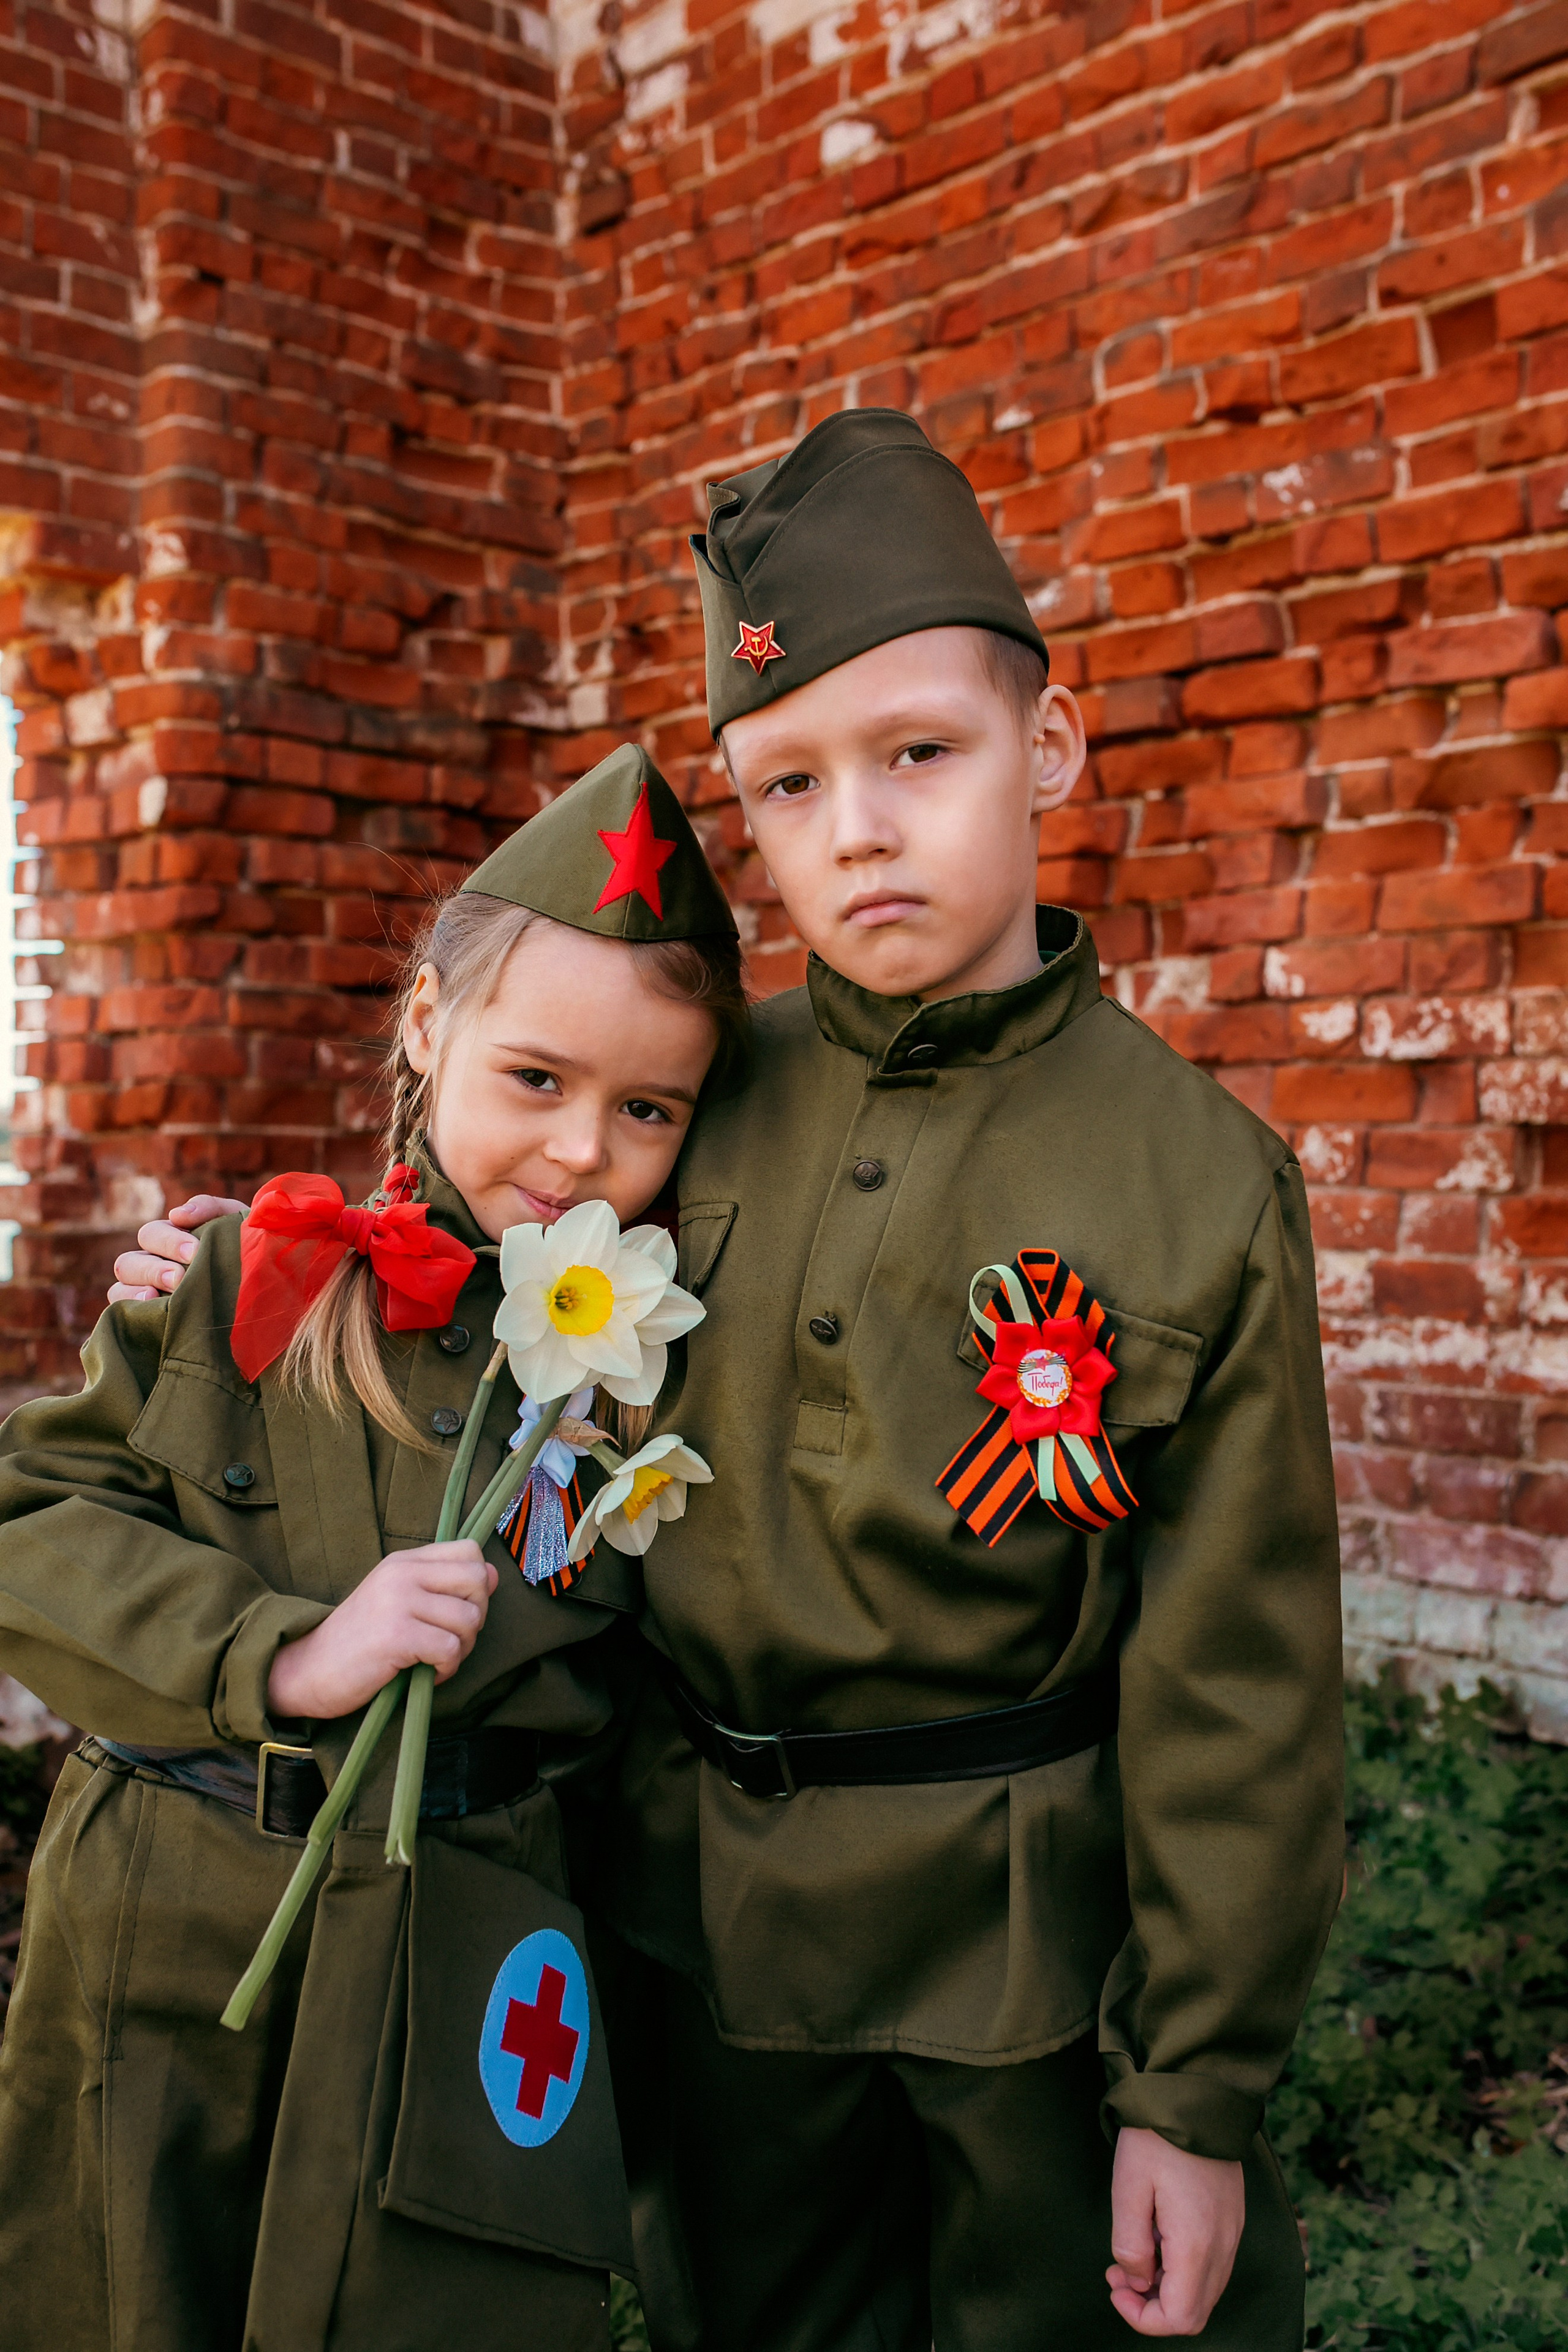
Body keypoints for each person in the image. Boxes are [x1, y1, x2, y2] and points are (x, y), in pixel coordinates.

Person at [115, 409, 1345, 2350]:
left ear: (1047, 746)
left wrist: (1188, 2090)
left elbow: (1239, 1687)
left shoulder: (1195, 1184)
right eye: (786, 784)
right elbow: (491, 1242)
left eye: (918, 753)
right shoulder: (694, 1095)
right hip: (702, 1933)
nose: (856, 829)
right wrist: (255, 1252)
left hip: (1019, 1960)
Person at [0, 747, 748, 2352]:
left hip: (466, 1947)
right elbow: (31, 1524)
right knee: (128, 2298)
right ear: (426, 1028)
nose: (580, 1152)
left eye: (647, 1109)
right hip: (175, 1926)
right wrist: (276, 1651)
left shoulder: (641, 1375)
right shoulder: (253, 1281)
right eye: (534, 1078)